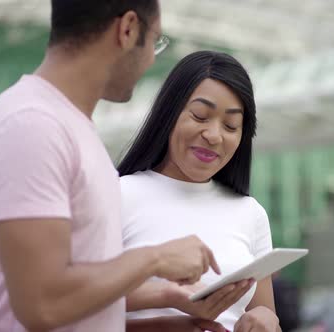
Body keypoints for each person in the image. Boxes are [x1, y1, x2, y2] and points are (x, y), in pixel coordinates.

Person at [0, 2, 227, 332]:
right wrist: (155, 259)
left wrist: (157, 324)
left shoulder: (70, 128)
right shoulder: (31, 126)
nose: (152, 58)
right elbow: (43, 303)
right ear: (127, 29)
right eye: (155, 40)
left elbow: (76, 296)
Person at [118, 51, 282, 332]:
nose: (214, 135)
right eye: (200, 116)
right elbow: (71, 307)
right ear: (168, 114)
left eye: (231, 125)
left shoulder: (250, 213)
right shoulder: (116, 195)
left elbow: (263, 313)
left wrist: (269, 321)